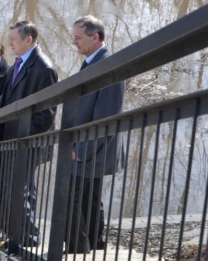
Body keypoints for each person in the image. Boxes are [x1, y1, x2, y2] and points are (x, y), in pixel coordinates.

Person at [0, 21, 58, 247]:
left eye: (14, 39)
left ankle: (28, 237)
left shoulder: (44, 68)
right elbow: (3, 100)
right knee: (11, 188)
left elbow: (47, 114)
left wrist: (22, 137)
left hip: (27, 143)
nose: (10, 43)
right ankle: (14, 231)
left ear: (28, 40)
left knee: (21, 190)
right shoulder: (18, 64)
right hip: (12, 142)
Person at [63, 15, 125, 254]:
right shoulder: (92, 62)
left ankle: (78, 249)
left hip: (92, 149)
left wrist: (82, 150)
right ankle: (95, 245)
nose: (73, 42)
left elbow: (106, 115)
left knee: (70, 195)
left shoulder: (109, 65)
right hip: (91, 148)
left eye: (78, 38)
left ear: (95, 37)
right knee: (89, 197)